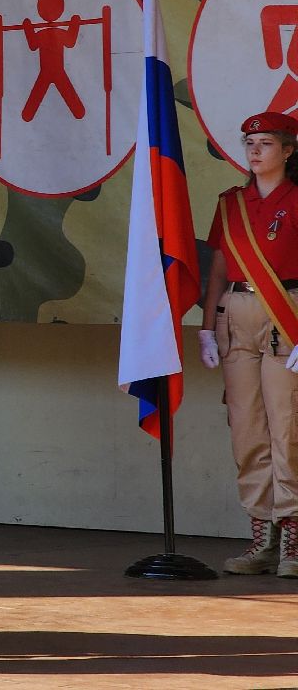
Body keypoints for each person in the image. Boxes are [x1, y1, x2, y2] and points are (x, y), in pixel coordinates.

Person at [198, 110, 298, 578]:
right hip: (237, 314)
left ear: (288, 150)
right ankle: (262, 537)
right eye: (250, 143)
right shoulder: (230, 204)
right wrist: (206, 323)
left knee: (288, 428)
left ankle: (293, 542)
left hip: (288, 313)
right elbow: (219, 266)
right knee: (247, 430)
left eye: (266, 143)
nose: (255, 151)